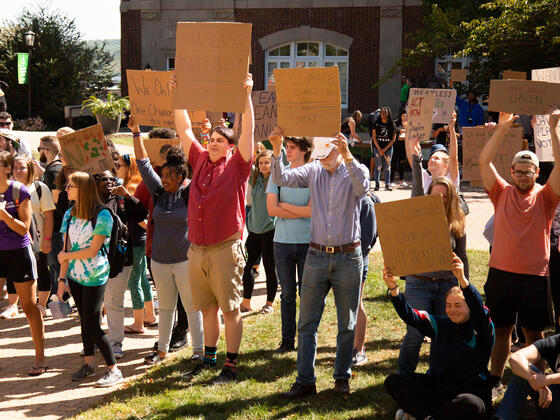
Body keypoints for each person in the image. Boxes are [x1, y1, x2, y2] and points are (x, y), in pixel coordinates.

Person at [268, 127, 370, 398]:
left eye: (328, 148)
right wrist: (277, 149)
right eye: (319, 148)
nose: (322, 154)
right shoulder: (312, 171)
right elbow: (281, 178)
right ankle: (305, 381)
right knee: (306, 322)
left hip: (348, 256)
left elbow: (363, 187)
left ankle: (341, 378)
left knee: (346, 323)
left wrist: (348, 156)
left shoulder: (354, 170)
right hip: (316, 256)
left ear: (339, 147)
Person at [173, 73, 255, 384]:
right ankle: (209, 359)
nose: (213, 143)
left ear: (232, 147)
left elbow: (248, 131)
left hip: (225, 249)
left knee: (230, 309)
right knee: (207, 309)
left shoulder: (238, 165)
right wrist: (178, 95)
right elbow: (183, 129)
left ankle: (230, 366)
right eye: (211, 139)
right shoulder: (199, 160)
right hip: (196, 250)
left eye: (220, 141)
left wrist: (245, 95)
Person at [479, 108, 560, 395]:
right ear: (511, 172)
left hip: (534, 278)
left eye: (529, 171)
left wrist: (553, 129)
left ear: (537, 173)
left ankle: (535, 383)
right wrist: (502, 128)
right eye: (518, 171)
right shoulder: (500, 192)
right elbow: (483, 161)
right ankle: (494, 380)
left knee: (533, 336)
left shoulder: (547, 197)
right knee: (500, 331)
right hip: (500, 274)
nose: (523, 175)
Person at [130, 116, 204, 365]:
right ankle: (161, 350)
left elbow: (201, 166)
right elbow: (142, 164)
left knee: (192, 308)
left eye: (170, 175)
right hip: (159, 262)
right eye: (163, 174)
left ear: (182, 176)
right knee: (166, 309)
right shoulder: (158, 192)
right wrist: (136, 133)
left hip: (185, 261)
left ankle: (199, 352)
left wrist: (201, 136)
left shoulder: (190, 192)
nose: (164, 178)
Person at [383, 255, 494, 420]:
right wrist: (394, 290)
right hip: (439, 389)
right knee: (394, 381)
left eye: (458, 305)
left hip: (468, 393)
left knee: (472, 404)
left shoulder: (482, 328)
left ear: (469, 307)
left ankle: (417, 414)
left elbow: (479, 309)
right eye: (448, 305)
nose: (452, 310)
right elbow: (411, 317)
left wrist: (462, 279)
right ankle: (426, 417)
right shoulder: (440, 324)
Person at [397, 137, 468, 375]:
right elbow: (417, 185)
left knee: (442, 334)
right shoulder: (420, 212)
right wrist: (416, 159)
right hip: (419, 283)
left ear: (450, 199)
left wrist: (464, 286)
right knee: (415, 335)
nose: (440, 199)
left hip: (446, 284)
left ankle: (435, 378)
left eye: (445, 196)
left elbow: (463, 256)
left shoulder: (457, 221)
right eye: (435, 195)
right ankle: (404, 380)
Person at [56, 171, 123, 386]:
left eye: (70, 186)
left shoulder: (102, 215)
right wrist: (61, 280)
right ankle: (88, 364)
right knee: (84, 321)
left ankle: (114, 369)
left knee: (92, 323)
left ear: (82, 189)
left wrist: (66, 256)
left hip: (95, 275)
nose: (66, 189)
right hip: (75, 276)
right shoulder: (69, 214)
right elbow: (65, 248)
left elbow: (93, 251)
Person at [0, 151, 46, 375]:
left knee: (28, 307)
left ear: (6, 168)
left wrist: (4, 216)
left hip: (19, 252)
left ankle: (40, 358)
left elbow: (23, 228)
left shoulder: (19, 190)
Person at [266, 135, 312, 353]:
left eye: (292, 147)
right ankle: (287, 340)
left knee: (307, 293)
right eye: (285, 147)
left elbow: (312, 211)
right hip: (282, 243)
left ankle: (306, 338)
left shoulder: (313, 174)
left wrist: (284, 205)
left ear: (305, 150)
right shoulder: (277, 173)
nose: (287, 151)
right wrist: (299, 211)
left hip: (308, 243)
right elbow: (271, 210)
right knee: (286, 295)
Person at [112, 154, 157, 334]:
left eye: (119, 165)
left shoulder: (129, 190)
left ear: (128, 168)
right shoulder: (135, 187)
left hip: (135, 241)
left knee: (134, 281)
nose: (116, 168)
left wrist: (149, 230)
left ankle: (138, 323)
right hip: (141, 240)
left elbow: (140, 219)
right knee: (141, 279)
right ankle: (149, 315)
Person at [9, 155, 55, 316]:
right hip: (12, 240)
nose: (18, 171)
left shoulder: (40, 188)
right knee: (12, 271)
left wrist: (47, 239)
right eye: (15, 167)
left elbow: (49, 216)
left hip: (37, 240)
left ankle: (41, 305)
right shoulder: (7, 188)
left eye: (22, 167)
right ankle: (13, 305)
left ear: (30, 169)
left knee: (41, 270)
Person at [241, 150, 277, 314]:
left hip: (270, 231)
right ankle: (246, 303)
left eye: (267, 162)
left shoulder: (276, 180)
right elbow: (244, 156)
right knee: (248, 267)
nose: (263, 165)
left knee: (270, 269)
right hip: (254, 231)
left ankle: (269, 304)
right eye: (261, 162)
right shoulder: (255, 178)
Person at [494, 333, 560, 419]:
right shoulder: (554, 342)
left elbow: (546, 380)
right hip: (552, 399)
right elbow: (515, 358)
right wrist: (534, 380)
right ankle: (504, 417)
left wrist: (547, 380)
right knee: (524, 368)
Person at [405, 110, 460, 194]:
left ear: (446, 165)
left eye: (437, 158)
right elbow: (411, 159)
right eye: (431, 158)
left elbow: (453, 157)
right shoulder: (426, 178)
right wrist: (408, 130)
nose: (432, 160)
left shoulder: (450, 179)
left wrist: (451, 127)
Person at [352, 192, 377, 366]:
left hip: (357, 261)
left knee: (356, 304)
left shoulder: (366, 202)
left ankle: (358, 350)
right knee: (345, 306)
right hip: (339, 261)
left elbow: (368, 240)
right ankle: (348, 346)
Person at [371, 107, 397, 191]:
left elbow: (393, 139)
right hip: (377, 147)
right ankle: (377, 184)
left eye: (384, 113)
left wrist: (384, 149)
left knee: (387, 166)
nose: (382, 114)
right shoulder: (376, 123)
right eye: (381, 112)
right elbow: (374, 137)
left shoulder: (392, 124)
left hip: (388, 148)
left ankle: (387, 184)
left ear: (388, 114)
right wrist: (379, 149)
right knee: (378, 166)